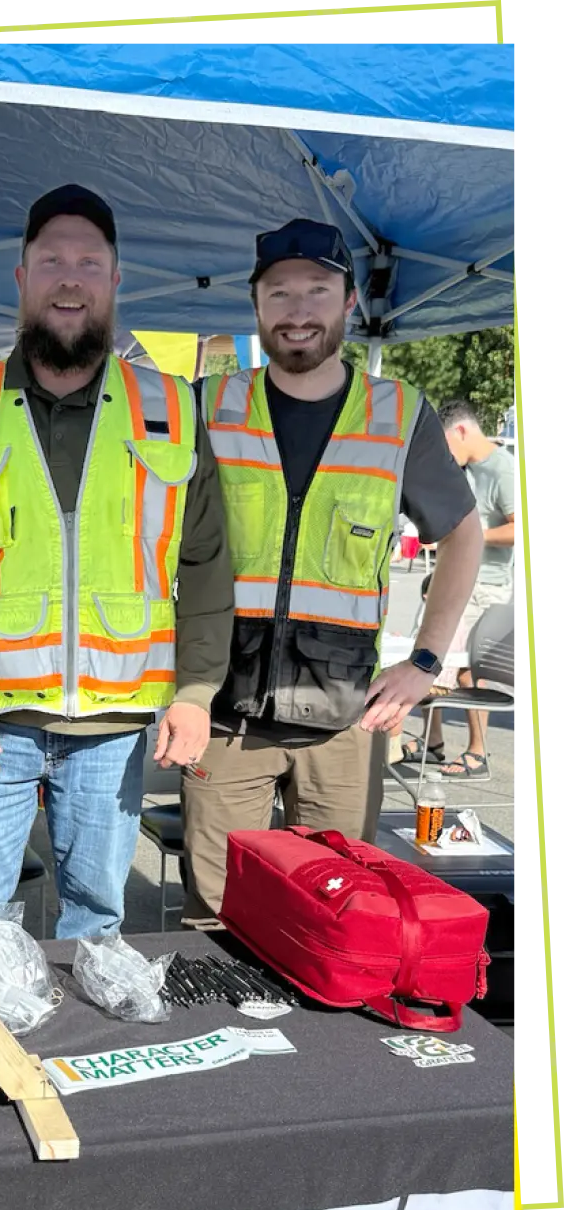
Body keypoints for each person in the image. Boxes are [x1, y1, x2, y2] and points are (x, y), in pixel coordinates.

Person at [0, 184, 233, 945]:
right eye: (50, 259)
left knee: (96, 927)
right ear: (19, 276)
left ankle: (77, 1064)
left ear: (116, 281)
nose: (69, 276)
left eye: (89, 261)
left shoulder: (174, 408)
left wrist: (196, 689)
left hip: (114, 727)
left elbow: (209, 563)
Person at [180, 217, 484, 928]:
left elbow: (464, 535)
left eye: (317, 290)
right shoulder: (206, 406)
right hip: (224, 723)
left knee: (339, 919)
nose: (298, 309)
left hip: (346, 723)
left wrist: (426, 663)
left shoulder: (399, 414)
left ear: (348, 302)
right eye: (279, 292)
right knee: (217, 924)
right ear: (254, 306)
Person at [400, 400, 517, 775]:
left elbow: (521, 529)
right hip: (457, 579)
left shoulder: (505, 471)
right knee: (423, 653)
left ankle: (478, 752)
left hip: (485, 587)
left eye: (445, 444)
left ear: (463, 431)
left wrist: (470, 537)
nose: (444, 455)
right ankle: (431, 741)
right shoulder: (466, 470)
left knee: (464, 667)